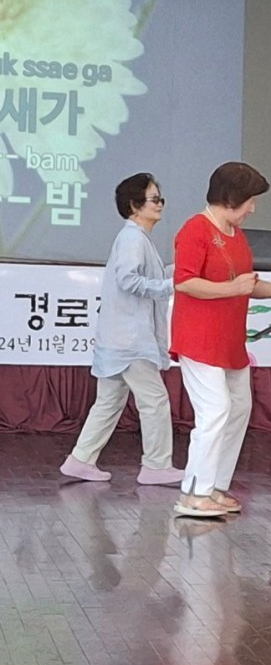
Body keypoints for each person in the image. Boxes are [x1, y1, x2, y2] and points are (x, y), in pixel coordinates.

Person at [171, 162, 271, 518]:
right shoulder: (195, 230)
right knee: (215, 411)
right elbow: (185, 282)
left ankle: (214, 486)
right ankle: (193, 492)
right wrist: (231, 288)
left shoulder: (236, 235)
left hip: (229, 341)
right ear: (231, 198)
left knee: (238, 409)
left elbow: (247, 283)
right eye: (249, 200)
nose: (253, 208)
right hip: (199, 338)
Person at [60, 173, 184, 486]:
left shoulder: (137, 238)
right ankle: (156, 465)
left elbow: (150, 276)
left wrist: (180, 274)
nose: (160, 205)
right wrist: (173, 285)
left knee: (109, 401)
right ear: (134, 205)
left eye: (160, 199)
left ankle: (80, 459)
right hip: (130, 339)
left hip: (119, 339)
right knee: (154, 400)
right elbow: (129, 280)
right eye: (153, 199)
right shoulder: (133, 239)